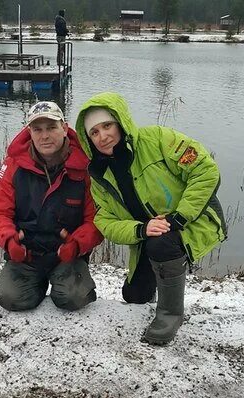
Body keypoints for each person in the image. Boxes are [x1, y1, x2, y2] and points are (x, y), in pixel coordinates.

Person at [75, 92, 227, 345]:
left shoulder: (157, 139)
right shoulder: (99, 175)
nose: (103, 136)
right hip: (149, 233)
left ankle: (170, 314)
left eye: (107, 125)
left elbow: (205, 169)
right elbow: (105, 221)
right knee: (135, 295)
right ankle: (162, 275)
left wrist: (179, 217)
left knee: (163, 243)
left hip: (193, 219)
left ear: (120, 122)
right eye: (94, 132)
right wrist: (141, 229)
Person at [0, 101, 103, 312]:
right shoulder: (12, 165)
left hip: (66, 254)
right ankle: (37, 282)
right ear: (29, 132)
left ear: (65, 127)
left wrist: (77, 245)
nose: (45, 136)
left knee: (74, 300)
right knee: (10, 299)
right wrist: (9, 240)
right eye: (37, 129)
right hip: (27, 253)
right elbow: (0, 213)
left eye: (51, 127)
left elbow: (95, 220)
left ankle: (65, 280)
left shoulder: (85, 167)